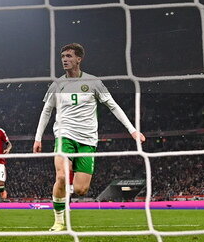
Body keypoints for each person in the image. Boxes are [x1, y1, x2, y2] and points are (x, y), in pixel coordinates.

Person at [34, 43, 145, 232]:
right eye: (62, 56)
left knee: (80, 190)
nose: (65, 59)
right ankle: (59, 221)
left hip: (87, 140)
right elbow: (46, 111)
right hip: (64, 135)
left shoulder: (94, 83)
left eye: (69, 56)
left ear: (79, 59)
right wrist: (38, 138)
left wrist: (132, 130)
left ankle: (66, 197)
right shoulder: (57, 84)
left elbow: (113, 106)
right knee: (61, 176)